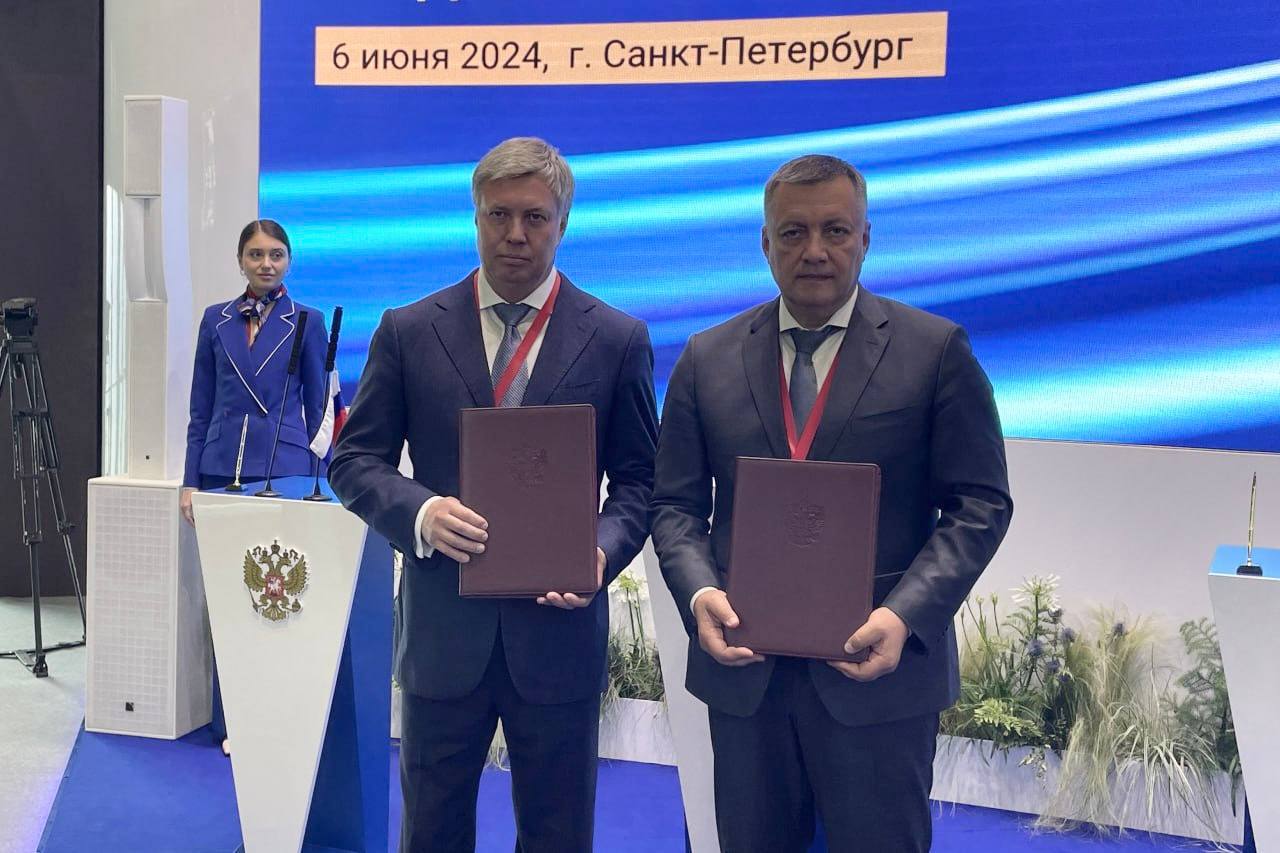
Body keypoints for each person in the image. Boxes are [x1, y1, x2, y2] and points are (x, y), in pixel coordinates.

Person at [650, 154, 1013, 852]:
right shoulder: (705, 358)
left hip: (878, 676)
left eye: (835, 230)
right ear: (766, 243)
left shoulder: (935, 351)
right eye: (793, 232)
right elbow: (674, 507)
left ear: (865, 238)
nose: (814, 250)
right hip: (746, 679)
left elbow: (981, 504)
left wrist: (904, 615)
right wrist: (698, 594)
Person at [329, 137, 658, 853]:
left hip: (559, 635)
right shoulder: (408, 331)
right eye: (498, 215)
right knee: (431, 832)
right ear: (475, 217)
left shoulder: (617, 339)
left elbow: (641, 483)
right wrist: (420, 512)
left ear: (562, 223)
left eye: (534, 217)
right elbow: (352, 461)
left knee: (557, 833)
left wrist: (600, 552)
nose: (515, 233)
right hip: (444, 634)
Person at [181, 218, 330, 754]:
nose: (266, 263)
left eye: (276, 254)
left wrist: (321, 482)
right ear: (240, 260)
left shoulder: (307, 321)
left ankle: (276, 716)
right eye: (256, 254)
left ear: (289, 261)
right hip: (222, 467)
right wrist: (189, 482)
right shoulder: (214, 320)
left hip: (284, 469)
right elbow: (200, 407)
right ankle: (231, 721)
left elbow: (320, 408)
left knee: (278, 596)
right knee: (228, 597)